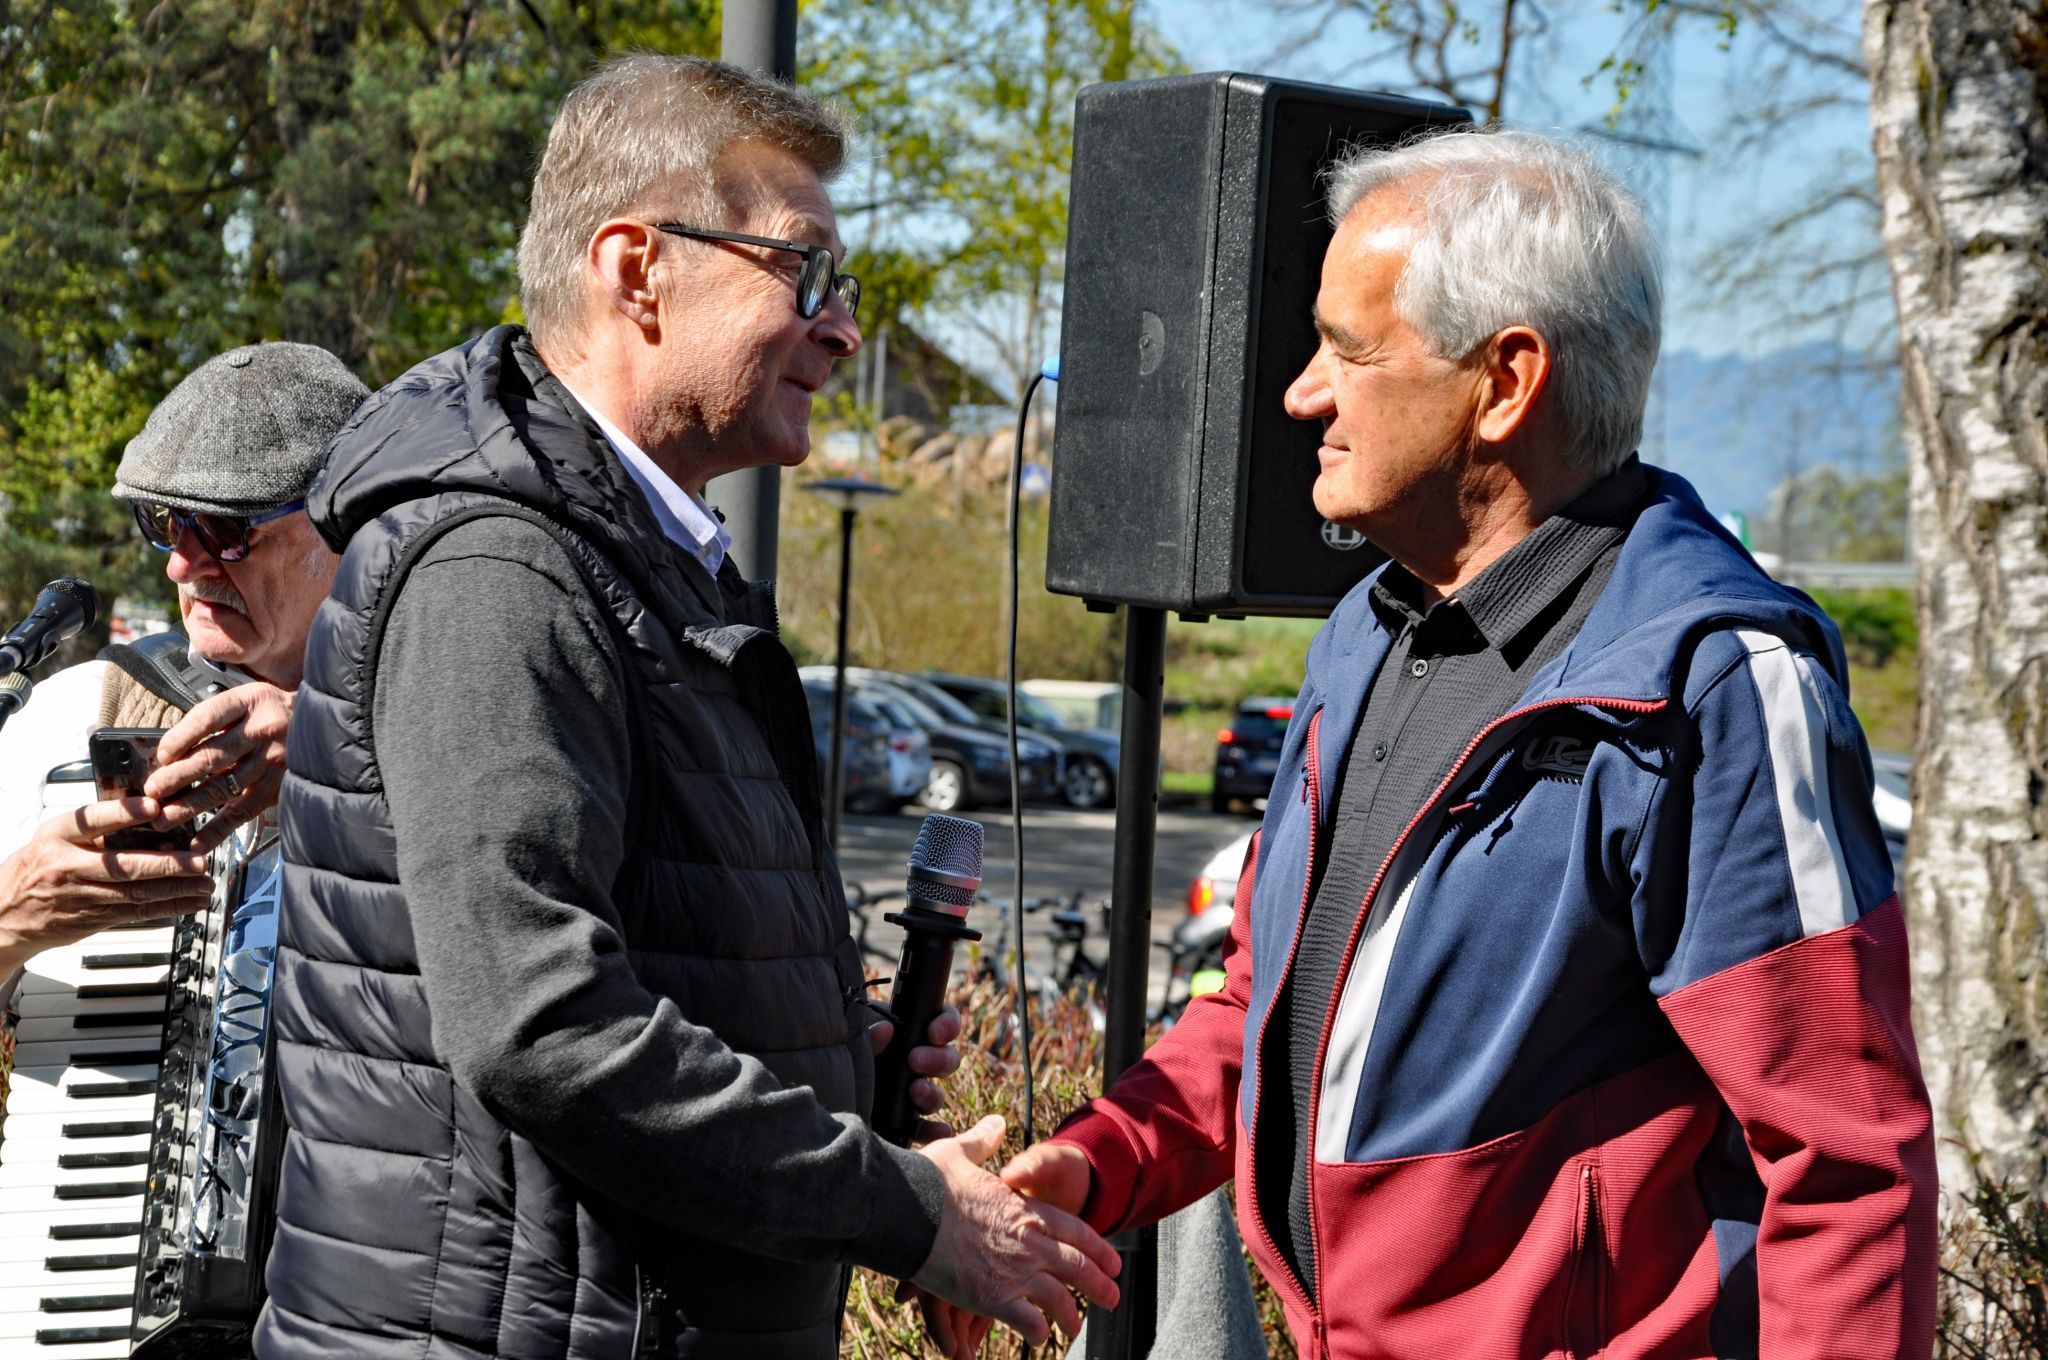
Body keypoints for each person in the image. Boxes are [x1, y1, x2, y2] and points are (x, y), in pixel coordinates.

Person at [932, 128, 1938, 1360]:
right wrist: (1100, 1162)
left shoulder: (1709, 682)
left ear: (1505, 381)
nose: (1302, 391)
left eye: (1347, 349)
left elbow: (1845, 1167)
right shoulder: (1363, 628)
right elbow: (1261, 1001)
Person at [257, 54, 1118, 1360]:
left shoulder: (643, 561)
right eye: (808, 277)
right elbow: (541, 1027)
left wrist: (830, 1048)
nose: (841, 331)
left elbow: (643, 948)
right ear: (638, 269)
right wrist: (906, 1210)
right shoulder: (501, 567)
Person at [0, 342, 367, 1033]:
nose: (180, 567)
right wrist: (10, 921)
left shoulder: (443, 700)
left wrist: (341, 741)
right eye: (166, 524)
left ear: (345, 528)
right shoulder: (75, 714)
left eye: (226, 530)